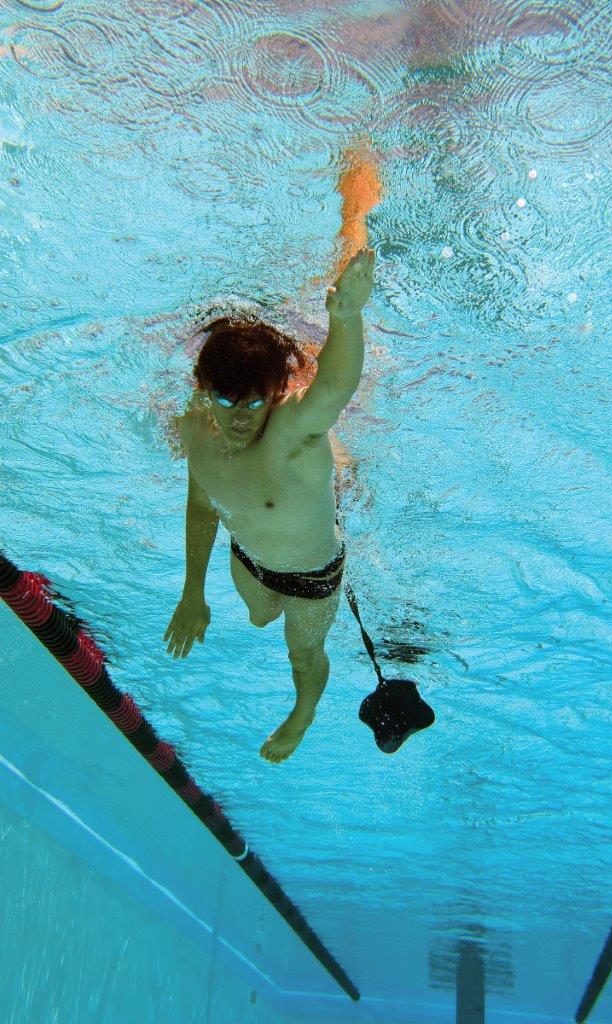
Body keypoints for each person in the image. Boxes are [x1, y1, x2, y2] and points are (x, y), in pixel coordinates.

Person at [163, 144, 382, 764]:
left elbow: (334, 387)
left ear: (275, 395)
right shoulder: (196, 428)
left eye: (254, 404)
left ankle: (303, 711)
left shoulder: (290, 428)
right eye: (224, 401)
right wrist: (192, 593)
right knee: (259, 618)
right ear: (202, 390)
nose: (238, 420)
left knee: (302, 652)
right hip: (249, 559)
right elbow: (202, 505)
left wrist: (346, 317)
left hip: (313, 577)